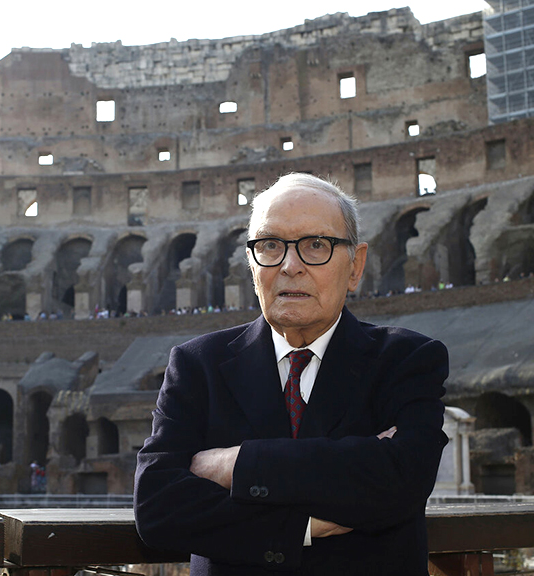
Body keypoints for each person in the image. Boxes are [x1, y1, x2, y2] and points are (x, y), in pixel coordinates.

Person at [134, 173, 448, 575]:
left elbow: (403, 480)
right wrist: (301, 526)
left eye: (316, 245)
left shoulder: (407, 359)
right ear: (251, 265)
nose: (290, 266)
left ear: (356, 266)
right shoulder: (197, 364)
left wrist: (237, 464)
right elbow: (158, 505)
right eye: (270, 245)